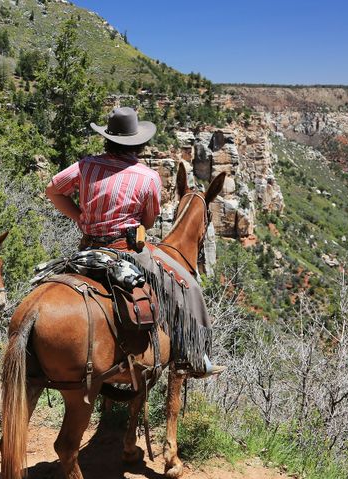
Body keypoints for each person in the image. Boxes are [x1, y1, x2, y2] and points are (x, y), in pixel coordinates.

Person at [44, 106, 224, 378]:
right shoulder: (147, 177)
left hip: (88, 248)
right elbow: (149, 222)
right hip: (126, 251)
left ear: (107, 138)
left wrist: (81, 219)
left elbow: (53, 190)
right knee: (187, 286)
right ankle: (196, 357)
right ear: (138, 143)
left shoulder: (86, 165)